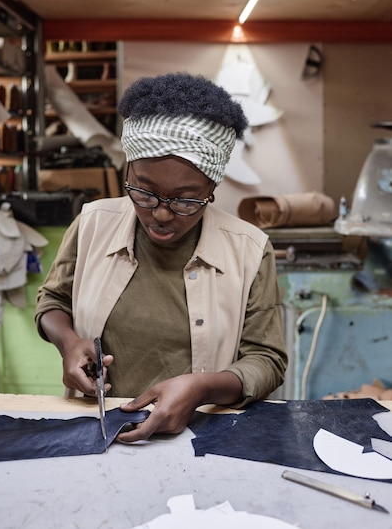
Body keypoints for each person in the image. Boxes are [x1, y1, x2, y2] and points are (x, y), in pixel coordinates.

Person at [35, 72, 288, 443]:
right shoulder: (92, 224)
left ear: (212, 189)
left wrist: (202, 388)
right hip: (97, 431)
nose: (162, 214)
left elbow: (267, 359)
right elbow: (52, 300)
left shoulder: (249, 250)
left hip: (203, 437)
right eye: (144, 191)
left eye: (186, 199)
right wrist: (69, 343)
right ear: (127, 170)